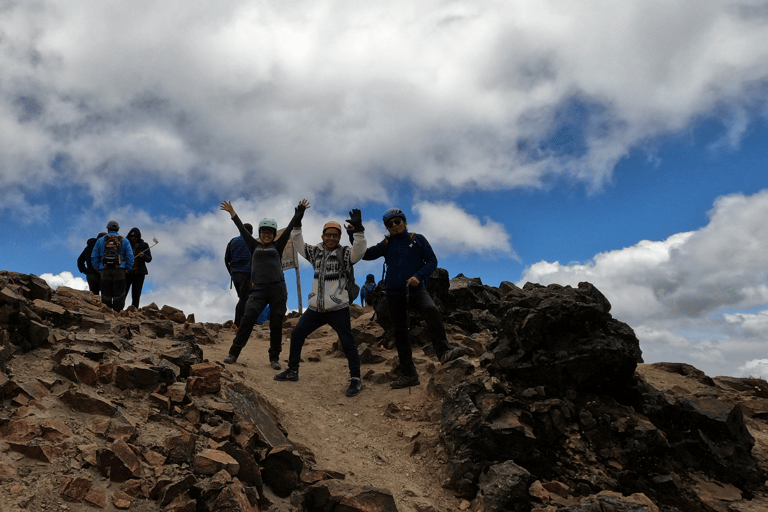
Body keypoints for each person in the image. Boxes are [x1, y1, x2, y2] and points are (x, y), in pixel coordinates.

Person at [360, 208, 464, 389]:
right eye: (389, 224)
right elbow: (365, 254)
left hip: (416, 289)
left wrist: (419, 276)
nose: (394, 226)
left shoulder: (417, 239)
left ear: (405, 222)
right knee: (401, 333)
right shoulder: (386, 243)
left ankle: (444, 352)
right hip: (393, 293)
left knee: (431, 310)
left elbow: (432, 261)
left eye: (397, 221)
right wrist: (356, 233)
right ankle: (409, 375)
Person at [274, 209, 367, 397]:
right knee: (298, 333)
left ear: (340, 237)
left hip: (338, 308)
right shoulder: (315, 252)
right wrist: (297, 224)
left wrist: (358, 230)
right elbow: (299, 245)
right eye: (328, 234)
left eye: (335, 235)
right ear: (322, 236)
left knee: (348, 342)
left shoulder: (346, 254)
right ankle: (293, 371)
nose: (331, 238)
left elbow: (359, 251)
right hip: (316, 308)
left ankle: (356, 379)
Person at [220, 199, 309, 368]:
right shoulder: (253, 245)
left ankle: (274, 358)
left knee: (276, 323)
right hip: (258, 290)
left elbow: (290, 229)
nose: (266, 234)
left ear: (274, 234)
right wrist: (232, 212)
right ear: (259, 233)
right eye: (264, 232)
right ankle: (233, 353)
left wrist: (299, 216)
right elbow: (241, 228)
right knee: (247, 320)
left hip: (278, 289)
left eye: (270, 232)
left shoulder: (278, 245)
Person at [91, 220, 134, 312]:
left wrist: (99, 267)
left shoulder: (101, 240)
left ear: (108, 229)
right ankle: (117, 313)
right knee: (119, 293)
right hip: (120, 269)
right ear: (118, 229)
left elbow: (94, 256)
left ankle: (106, 313)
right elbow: (130, 256)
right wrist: (127, 268)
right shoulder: (124, 240)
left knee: (106, 292)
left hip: (105, 269)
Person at [225, 223, 254, 331]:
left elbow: (226, 259)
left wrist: (231, 273)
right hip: (246, 274)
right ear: (251, 232)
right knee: (244, 298)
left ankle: (242, 322)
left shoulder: (232, 241)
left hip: (235, 275)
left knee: (243, 298)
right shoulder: (251, 242)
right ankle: (237, 323)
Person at [125, 228, 153, 309]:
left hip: (139, 273)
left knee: (136, 295)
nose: (133, 238)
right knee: (123, 293)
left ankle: (134, 312)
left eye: (135, 236)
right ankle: (119, 311)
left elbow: (149, 259)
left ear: (139, 236)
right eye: (131, 236)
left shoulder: (144, 245)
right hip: (127, 273)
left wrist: (143, 256)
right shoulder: (126, 244)